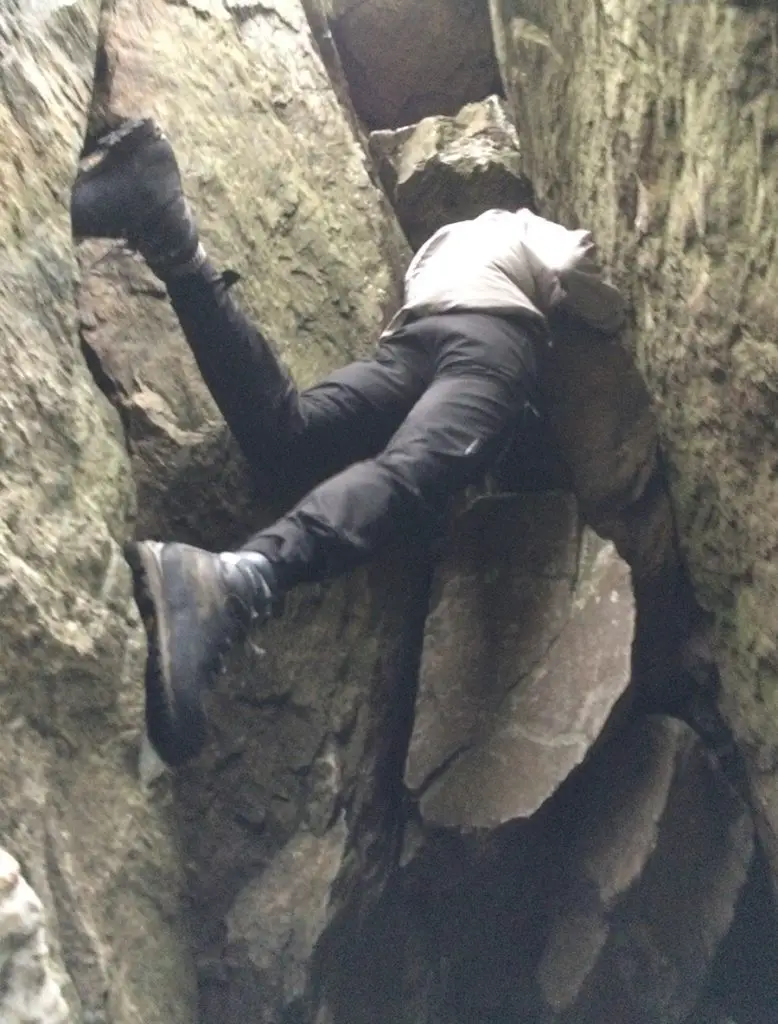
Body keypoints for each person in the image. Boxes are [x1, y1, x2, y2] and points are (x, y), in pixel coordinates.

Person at [71, 118, 627, 768]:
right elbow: (574, 256)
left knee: (288, 436)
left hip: (415, 336)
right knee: (417, 473)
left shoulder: (451, 242)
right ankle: (233, 583)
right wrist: (609, 312)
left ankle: (167, 229)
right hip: (492, 342)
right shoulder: (520, 225)